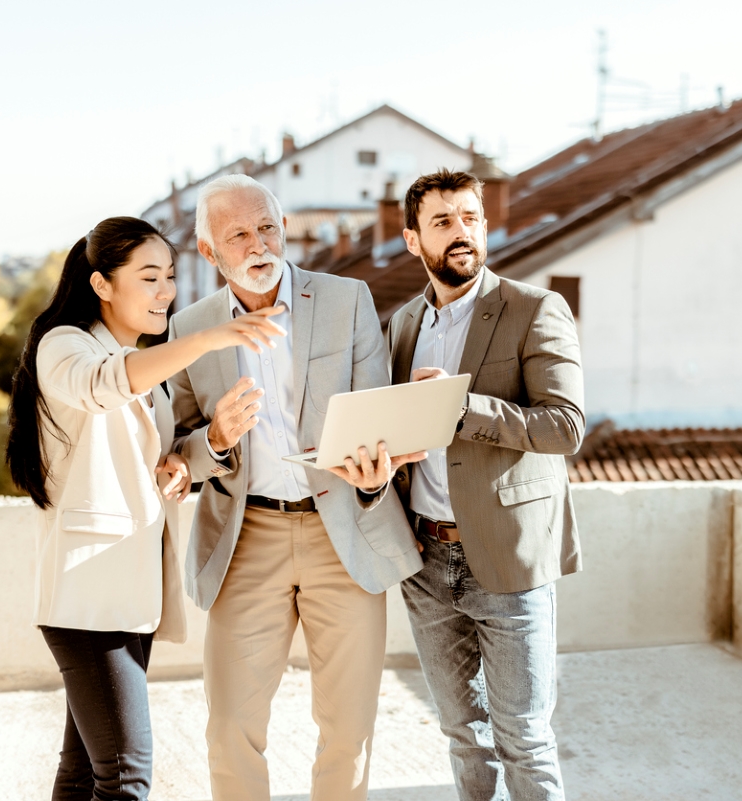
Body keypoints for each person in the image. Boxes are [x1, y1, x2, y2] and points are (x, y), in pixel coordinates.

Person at [5, 216, 285, 801]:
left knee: (84, 773)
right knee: (127, 775)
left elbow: (155, 457)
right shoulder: (66, 346)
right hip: (86, 596)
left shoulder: (135, 360)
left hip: (131, 595)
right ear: (102, 284)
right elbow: (103, 385)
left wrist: (199, 449)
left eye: (172, 277)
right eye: (150, 277)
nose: (167, 292)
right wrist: (211, 338)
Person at [166, 174, 425, 801]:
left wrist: (374, 472)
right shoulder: (189, 330)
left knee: (348, 730)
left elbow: (375, 415)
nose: (259, 245)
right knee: (230, 726)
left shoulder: (347, 298)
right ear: (209, 253)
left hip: (344, 532)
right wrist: (217, 441)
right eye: (239, 235)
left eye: (268, 228)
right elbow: (178, 451)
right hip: (244, 535)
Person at [387, 169, 586, 801]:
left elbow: (565, 426)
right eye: (442, 222)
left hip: (507, 556)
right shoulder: (402, 326)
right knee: (460, 733)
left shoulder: (535, 309)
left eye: (470, 218)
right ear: (413, 239)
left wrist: (459, 408)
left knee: (524, 737)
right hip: (425, 558)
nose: (461, 233)